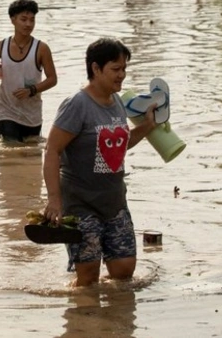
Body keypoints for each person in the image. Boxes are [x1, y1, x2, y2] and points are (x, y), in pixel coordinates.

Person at [41, 37, 157, 287]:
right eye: (116, 69)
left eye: (124, 68)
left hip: (114, 200)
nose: (122, 75)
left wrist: (147, 126)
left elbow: (118, 145)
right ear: (96, 68)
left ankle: (111, 320)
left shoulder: (117, 102)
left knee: (124, 272)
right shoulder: (77, 105)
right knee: (88, 277)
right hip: (81, 204)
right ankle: (85, 321)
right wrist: (54, 200)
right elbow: (52, 151)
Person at [0, 0, 57, 143]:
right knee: (11, 150)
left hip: (32, 114)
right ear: (13, 20)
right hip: (6, 111)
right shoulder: (0, 47)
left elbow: (53, 79)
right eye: (24, 19)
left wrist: (31, 90)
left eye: (32, 20)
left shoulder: (42, 48)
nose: (28, 24)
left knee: (32, 156)